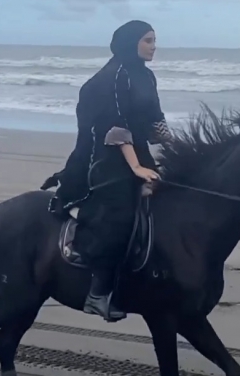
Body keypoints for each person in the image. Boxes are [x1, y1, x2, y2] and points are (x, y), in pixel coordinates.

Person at [51, 20, 171, 322]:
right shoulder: (112, 77)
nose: (154, 45)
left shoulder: (146, 76)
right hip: (101, 157)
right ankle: (98, 294)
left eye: (155, 40)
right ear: (131, 43)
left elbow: (155, 121)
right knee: (119, 215)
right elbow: (114, 127)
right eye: (148, 40)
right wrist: (136, 168)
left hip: (137, 152)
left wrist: (181, 146)